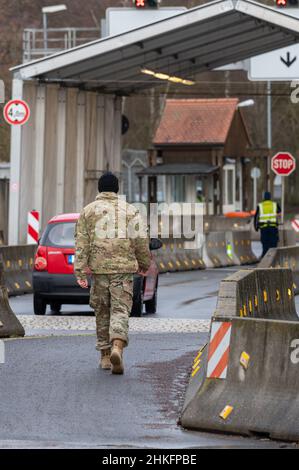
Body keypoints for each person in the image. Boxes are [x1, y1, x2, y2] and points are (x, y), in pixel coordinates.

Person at [74, 172, 151, 375]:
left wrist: (80, 271)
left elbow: (81, 244)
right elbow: (141, 241)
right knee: (120, 310)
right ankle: (118, 345)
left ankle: (105, 357)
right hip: (123, 271)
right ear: (117, 189)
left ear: (99, 189)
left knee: (102, 312)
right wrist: (144, 264)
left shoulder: (88, 212)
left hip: (99, 271)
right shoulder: (131, 211)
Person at [254, 191, 281, 258]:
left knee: (265, 244)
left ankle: (265, 257)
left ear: (264, 197)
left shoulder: (260, 205)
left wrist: (256, 226)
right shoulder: (275, 204)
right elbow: (279, 212)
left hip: (264, 228)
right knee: (273, 243)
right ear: (270, 197)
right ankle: (273, 257)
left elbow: (256, 217)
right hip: (273, 227)